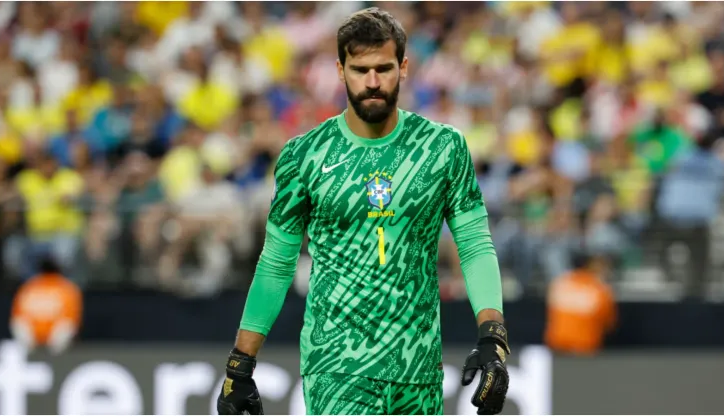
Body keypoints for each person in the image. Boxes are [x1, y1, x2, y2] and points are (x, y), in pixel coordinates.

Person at [217, 8, 509, 416]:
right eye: (360, 70)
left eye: (384, 69)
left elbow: (475, 244)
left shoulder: (443, 148)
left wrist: (493, 336)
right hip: (337, 368)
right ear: (340, 70)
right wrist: (240, 364)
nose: (372, 82)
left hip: (419, 370)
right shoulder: (305, 156)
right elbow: (276, 263)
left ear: (404, 67)